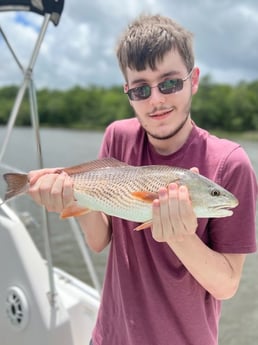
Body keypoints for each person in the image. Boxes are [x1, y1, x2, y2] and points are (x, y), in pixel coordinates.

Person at [28, 14, 257, 345]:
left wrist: (181, 237)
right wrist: (72, 198)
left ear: (193, 80)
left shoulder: (230, 163)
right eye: (140, 89)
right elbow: (98, 240)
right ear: (127, 91)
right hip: (109, 335)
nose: (156, 100)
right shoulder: (118, 136)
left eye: (169, 83)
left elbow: (227, 285)